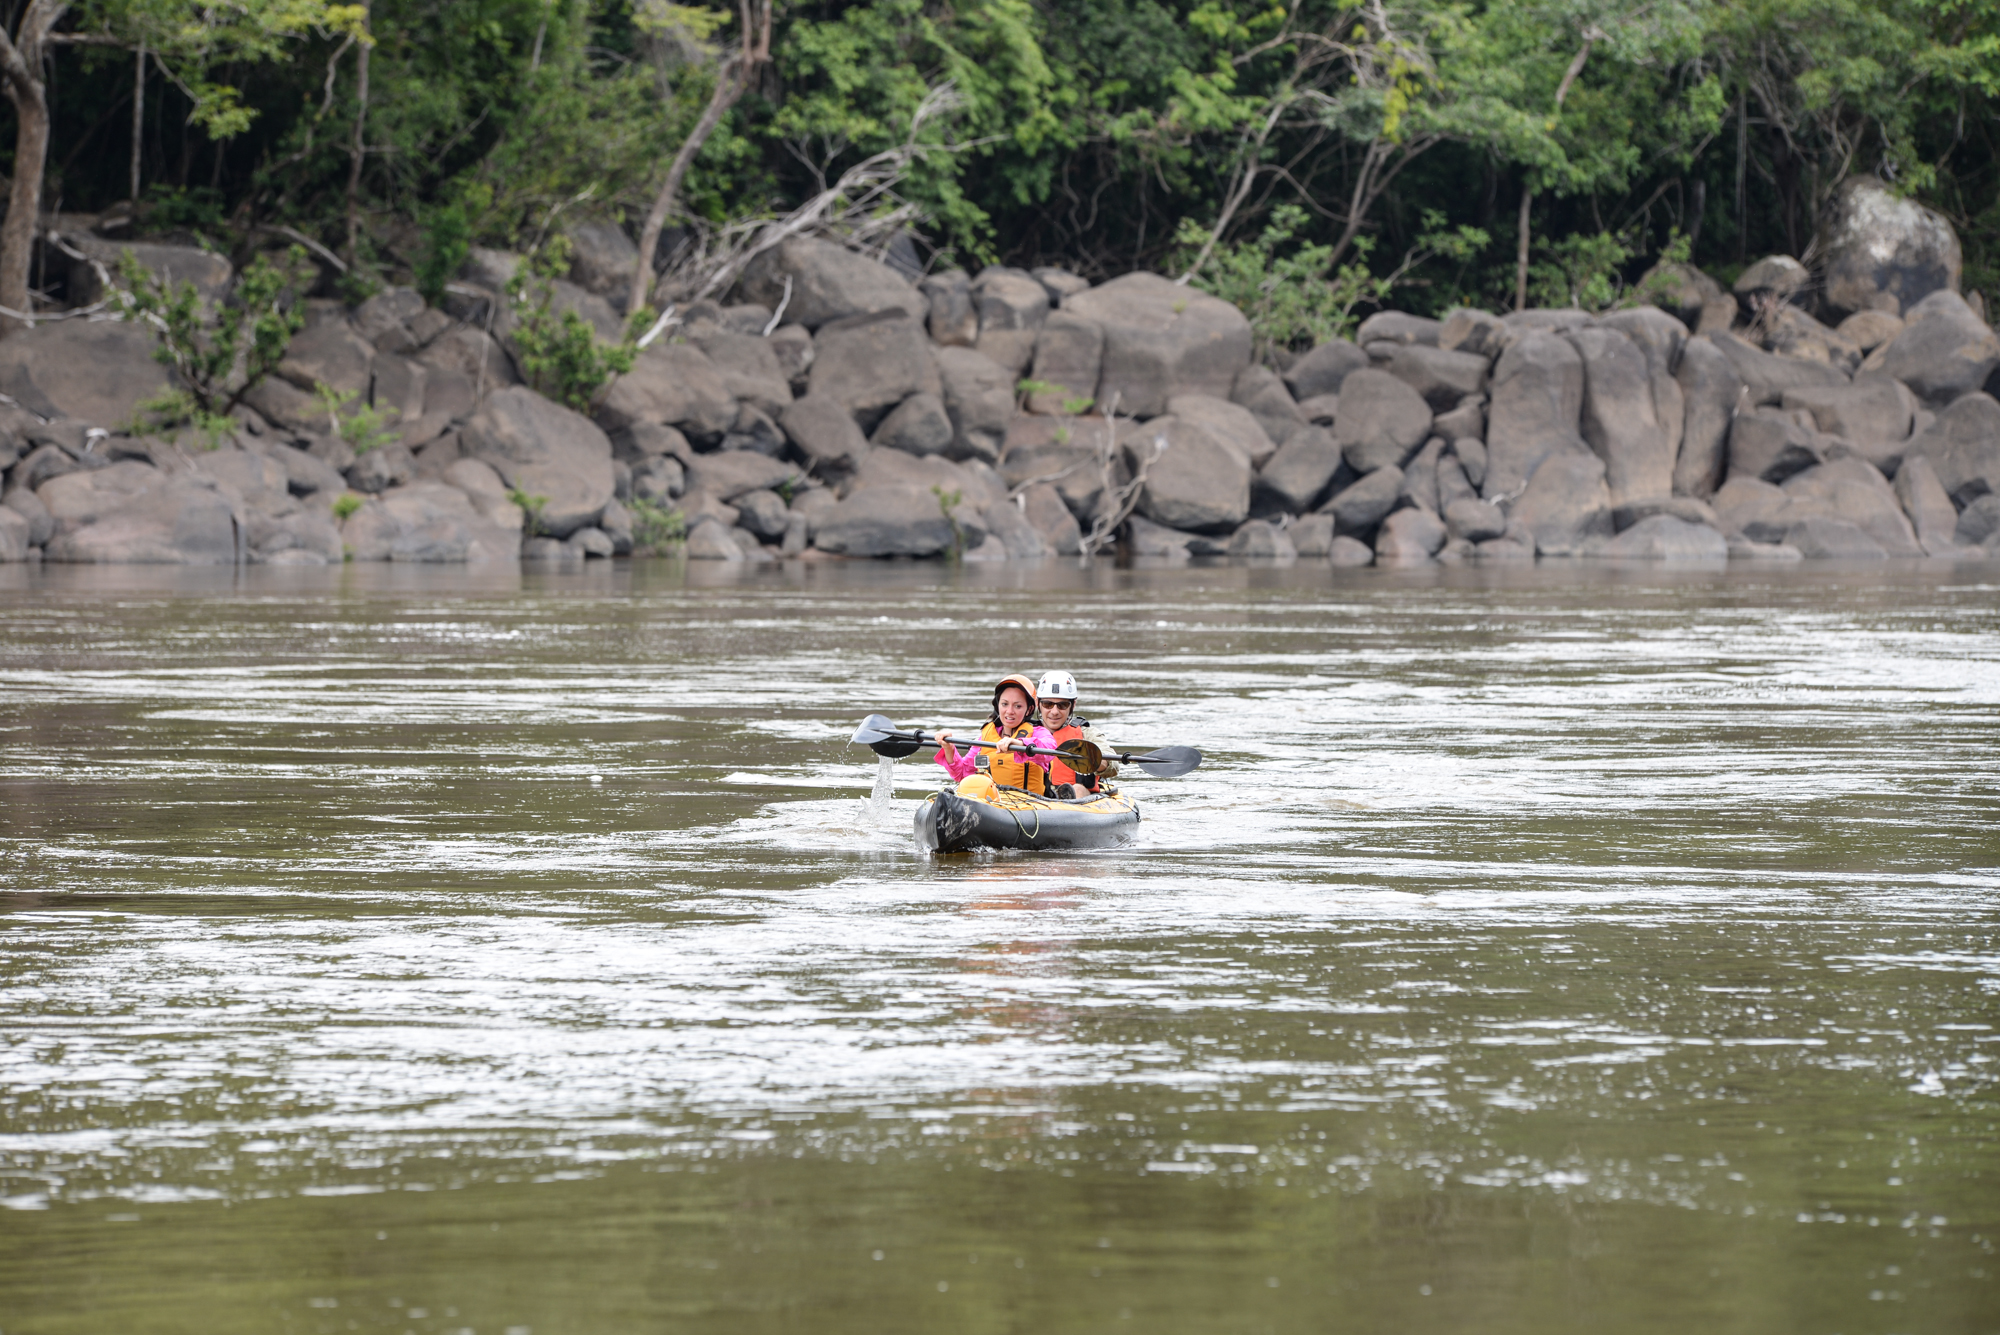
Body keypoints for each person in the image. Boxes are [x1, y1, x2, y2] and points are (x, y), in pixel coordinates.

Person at [934, 673, 1057, 798]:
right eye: (1005, 704)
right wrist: (949, 749)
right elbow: (962, 773)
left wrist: (1020, 744)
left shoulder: (1038, 732)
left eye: (1018, 706)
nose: (1010, 711)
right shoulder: (986, 736)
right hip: (995, 805)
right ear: (998, 705)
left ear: (1029, 709)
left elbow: (1050, 748)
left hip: (1030, 806)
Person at [1035, 669, 1120, 798]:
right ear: (1038, 704)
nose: (1054, 711)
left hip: (1075, 800)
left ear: (1073, 705)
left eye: (1062, 705)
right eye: (1048, 704)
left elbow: (1113, 765)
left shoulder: (1087, 734)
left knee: (1079, 789)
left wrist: (1096, 760)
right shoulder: (1026, 733)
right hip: (1032, 796)